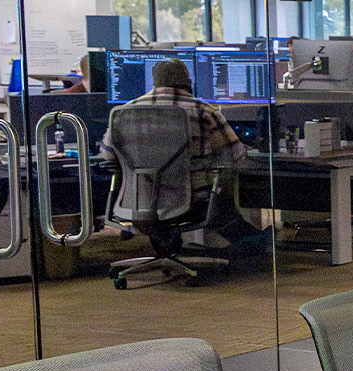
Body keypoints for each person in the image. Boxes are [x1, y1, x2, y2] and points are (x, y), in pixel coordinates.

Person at [99, 60, 266, 283]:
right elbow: (234, 156)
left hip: (135, 203)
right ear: (188, 82)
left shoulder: (123, 112)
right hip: (191, 204)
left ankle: (172, 247)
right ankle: (255, 244)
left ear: (154, 82)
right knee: (225, 195)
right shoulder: (203, 110)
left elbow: (107, 159)